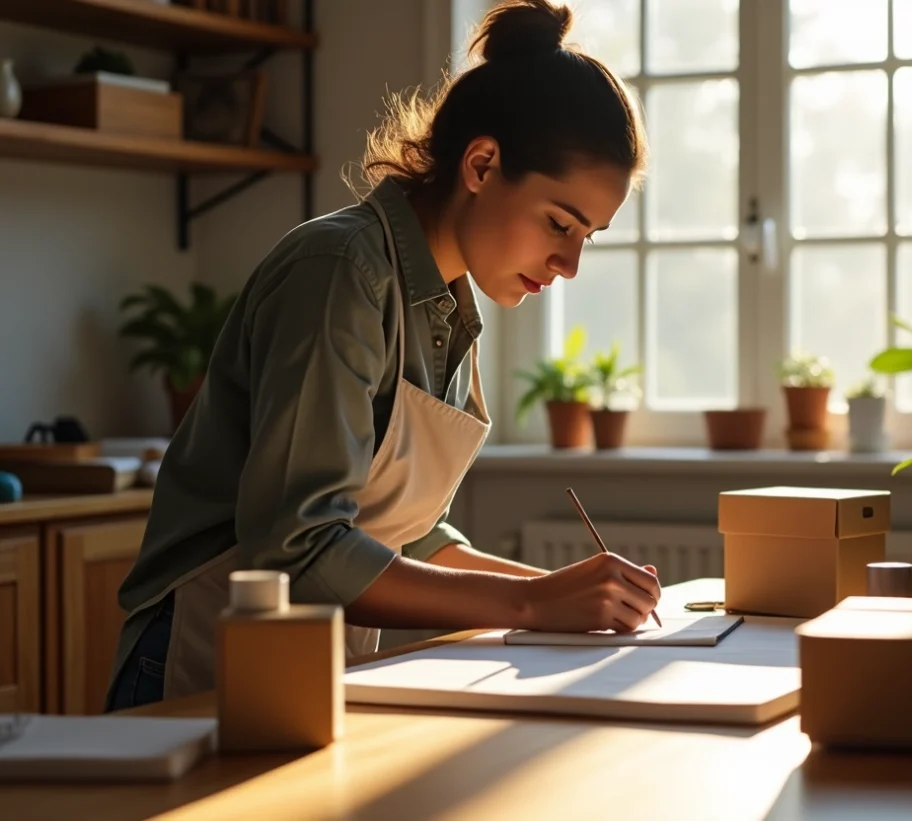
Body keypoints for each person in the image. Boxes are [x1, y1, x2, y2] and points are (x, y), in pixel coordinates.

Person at [105, 0, 660, 712]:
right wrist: (530, 601)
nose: (571, 263)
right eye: (560, 222)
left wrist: (573, 596)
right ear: (483, 164)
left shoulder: (449, 300)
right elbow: (299, 547)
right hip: (195, 660)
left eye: (590, 234)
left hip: (302, 668)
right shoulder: (340, 269)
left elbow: (408, 535)